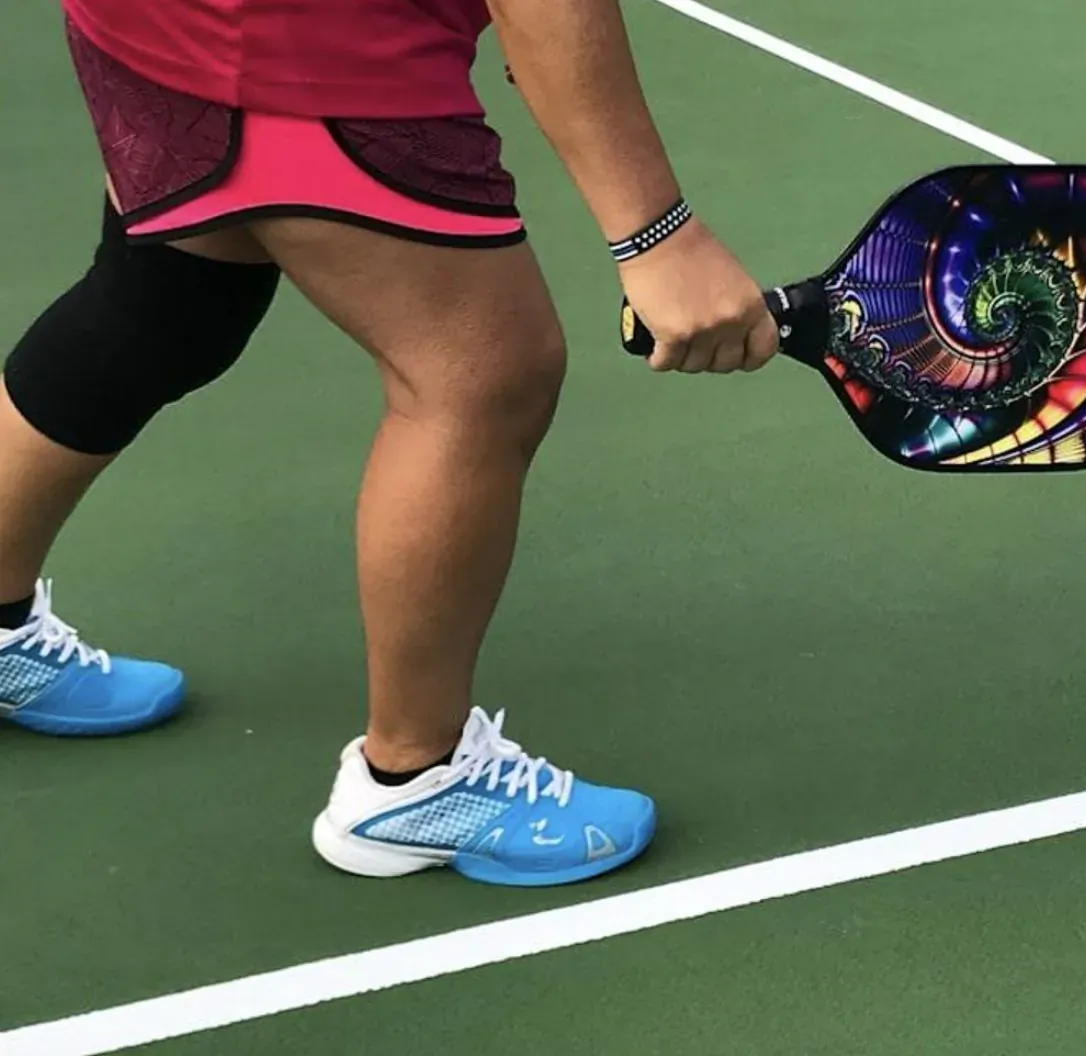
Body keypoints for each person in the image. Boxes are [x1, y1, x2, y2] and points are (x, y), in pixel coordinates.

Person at [0, 0, 780, 887]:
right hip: (321, 50)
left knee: (164, 301)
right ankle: (412, 781)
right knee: (482, 379)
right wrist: (656, 233)